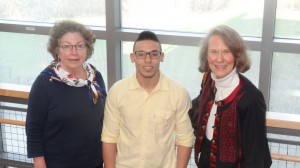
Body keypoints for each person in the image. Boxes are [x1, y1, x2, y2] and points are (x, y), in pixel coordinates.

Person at [101, 31, 195, 168]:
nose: (148, 60)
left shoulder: (179, 93)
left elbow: (185, 139)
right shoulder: (117, 91)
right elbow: (109, 137)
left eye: (154, 54)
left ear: (162, 57)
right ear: (132, 57)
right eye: (141, 54)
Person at [26, 20, 106, 168]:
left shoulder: (95, 77)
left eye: (80, 46)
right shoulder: (45, 83)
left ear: (87, 49)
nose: (74, 52)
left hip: (94, 162)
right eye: (67, 46)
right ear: (57, 50)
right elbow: (33, 132)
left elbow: (104, 120)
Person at [189, 25, 272, 168]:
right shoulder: (209, 81)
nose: (219, 59)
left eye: (226, 52)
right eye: (213, 52)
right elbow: (197, 108)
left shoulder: (251, 98)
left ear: (237, 55)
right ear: (206, 55)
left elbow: (255, 157)